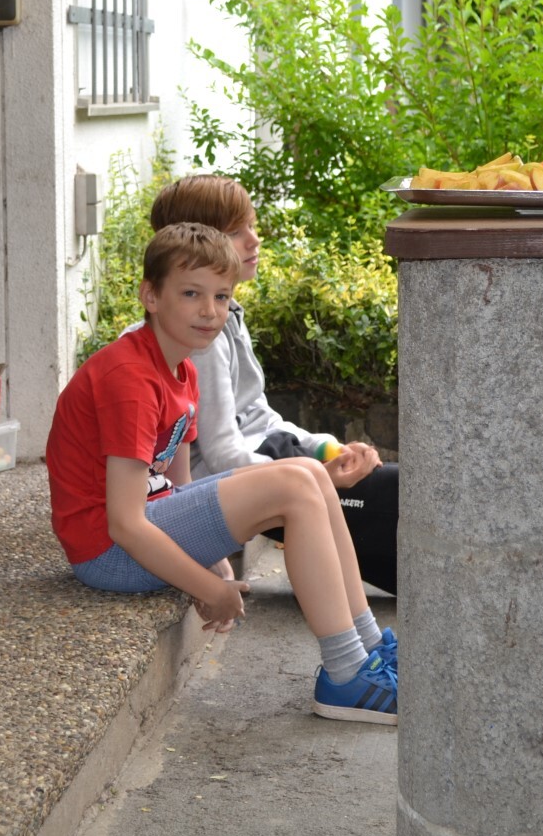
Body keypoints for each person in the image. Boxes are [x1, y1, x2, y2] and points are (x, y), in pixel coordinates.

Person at [46, 222, 398, 723]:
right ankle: (345, 675)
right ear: (150, 296)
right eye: (191, 294)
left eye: (221, 296)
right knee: (293, 485)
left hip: (141, 528)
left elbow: (178, 487)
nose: (210, 311)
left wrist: (212, 559)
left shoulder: (183, 369)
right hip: (107, 553)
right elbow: (124, 523)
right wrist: (209, 588)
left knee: (308, 471)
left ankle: (367, 650)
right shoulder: (130, 379)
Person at [145, 175, 399, 595]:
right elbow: (222, 456)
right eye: (236, 232)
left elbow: (260, 416)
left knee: (397, 492)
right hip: (247, 480)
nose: (254, 240)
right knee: (400, 500)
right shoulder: (199, 338)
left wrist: (328, 448)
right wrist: (313, 475)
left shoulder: (227, 315)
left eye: (252, 225)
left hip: (273, 460)